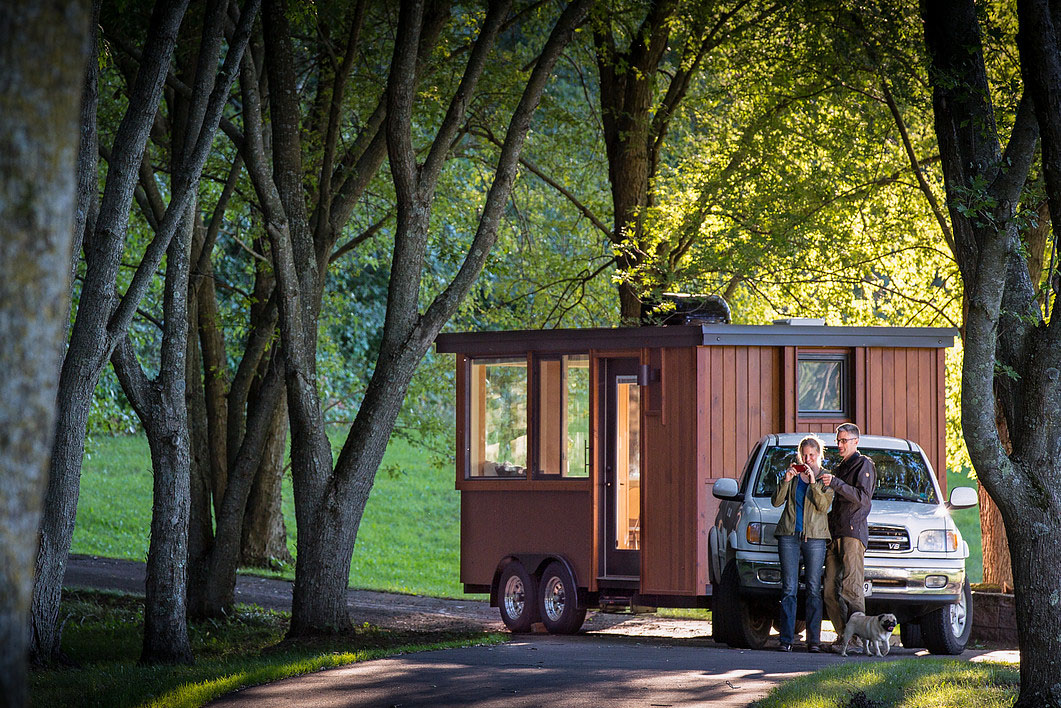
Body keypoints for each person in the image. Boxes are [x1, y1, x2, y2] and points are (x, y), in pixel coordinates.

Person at [771, 435, 834, 652]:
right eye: (804, 455)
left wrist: (814, 482)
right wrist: (787, 479)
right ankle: (786, 639)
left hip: (815, 538)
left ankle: (813, 641)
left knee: (814, 589)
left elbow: (823, 506)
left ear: (819, 455)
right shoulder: (794, 476)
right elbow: (776, 501)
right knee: (789, 588)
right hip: (789, 535)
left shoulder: (826, 477)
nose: (808, 459)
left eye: (812, 455)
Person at [820, 423, 876, 653]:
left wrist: (836, 483)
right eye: (838, 441)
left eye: (844, 440)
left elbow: (863, 498)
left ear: (856, 441)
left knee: (852, 588)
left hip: (853, 534)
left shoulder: (864, 464)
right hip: (835, 534)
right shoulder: (840, 467)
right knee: (829, 591)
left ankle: (858, 640)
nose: (840, 445)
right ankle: (844, 636)